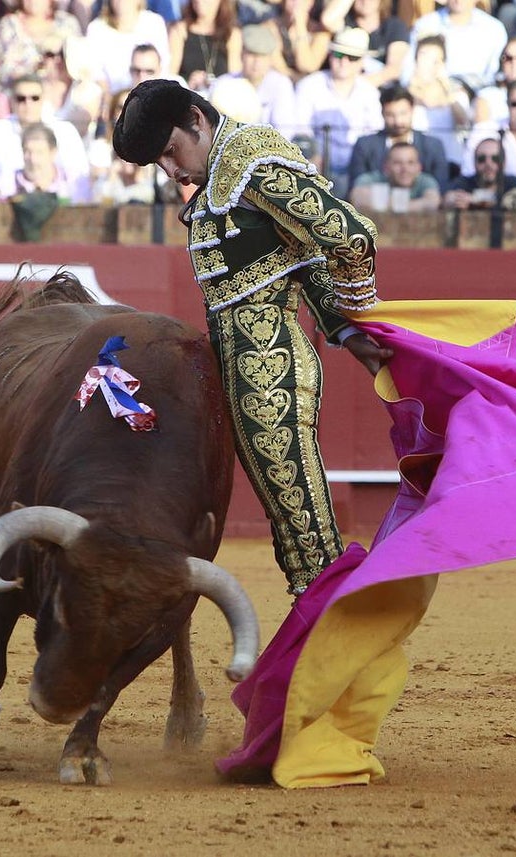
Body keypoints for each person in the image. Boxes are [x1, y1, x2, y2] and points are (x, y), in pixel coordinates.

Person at [111, 78, 392, 595]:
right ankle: (328, 630)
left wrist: (360, 309)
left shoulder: (251, 165)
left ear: (198, 119)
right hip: (248, 369)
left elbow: (350, 235)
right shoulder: (226, 170)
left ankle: (334, 634)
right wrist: (348, 331)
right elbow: (305, 257)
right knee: (294, 526)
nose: (172, 171)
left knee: (303, 527)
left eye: (172, 151)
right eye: (159, 164)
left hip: (271, 369)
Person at [292, 27, 382, 192]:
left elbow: (375, 135)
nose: (344, 61)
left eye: (352, 57)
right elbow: (299, 129)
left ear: (362, 61)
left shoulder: (369, 92)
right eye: (339, 54)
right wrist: (313, 156)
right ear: (330, 55)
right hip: (315, 168)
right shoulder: (309, 85)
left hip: (359, 171)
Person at [0, 73, 90, 200]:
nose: (28, 104)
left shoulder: (65, 131)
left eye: (34, 98)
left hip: (61, 207)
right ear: (12, 101)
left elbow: (81, 177)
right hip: (6, 208)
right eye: (21, 98)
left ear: (43, 99)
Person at [348, 83, 448, 189]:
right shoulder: (364, 145)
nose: (398, 121)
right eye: (390, 115)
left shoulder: (433, 146)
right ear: (382, 113)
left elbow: (440, 188)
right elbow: (356, 189)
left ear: (412, 111)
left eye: (403, 113)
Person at [405, 0, 508, 93]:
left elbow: (496, 75)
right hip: (431, 94)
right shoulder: (425, 25)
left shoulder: (494, 29)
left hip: (479, 96)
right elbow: (408, 71)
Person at [210, 24, 295, 134]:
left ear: (270, 59)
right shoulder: (224, 84)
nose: (256, 62)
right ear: (242, 55)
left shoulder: (281, 84)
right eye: (251, 55)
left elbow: (285, 131)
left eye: (262, 57)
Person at [404, 34, 470, 171]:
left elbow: (463, 121)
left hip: (450, 165)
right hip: (415, 166)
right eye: (424, 57)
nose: (428, 65)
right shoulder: (406, 96)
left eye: (435, 60)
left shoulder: (457, 95)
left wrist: (446, 90)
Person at [85, 0, 172, 96]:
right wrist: (108, 99)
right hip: (112, 96)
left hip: (150, 93)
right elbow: (96, 72)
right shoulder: (96, 28)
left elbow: (164, 64)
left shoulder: (154, 22)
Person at [0, 0, 82, 87]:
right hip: (18, 95)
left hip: (61, 93)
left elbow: (79, 64)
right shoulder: (8, 25)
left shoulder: (68, 24)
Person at [168, 0, 242, 94]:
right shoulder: (180, 30)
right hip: (187, 96)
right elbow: (171, 73)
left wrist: (214, 84)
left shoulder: (232, 34)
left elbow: (235, 76)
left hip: (221, 98)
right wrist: (187, 82)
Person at [442, 135, 516, 209]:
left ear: (503, 163)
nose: (488, 164)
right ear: (474, 163)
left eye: (495, 159)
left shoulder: (514, 182)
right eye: (482, 159)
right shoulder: (464, 182)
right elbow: (447, 197)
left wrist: (475, 200)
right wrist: (452, 200)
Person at [337, 0, 410, 90]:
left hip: (382, 92)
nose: (365, 1)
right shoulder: (344, 25)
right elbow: (327, 20)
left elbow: (395, 68)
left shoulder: (394, 26)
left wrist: (360, 86)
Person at [349, 140, 441, 211]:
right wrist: (414, 205)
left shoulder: (426, 181)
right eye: (397, 163)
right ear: (386, 167)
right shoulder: (372, 179)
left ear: (419, 167)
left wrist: (383, 204)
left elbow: (432, 203)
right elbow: (358, 198)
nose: (405, 169)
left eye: (410, 163)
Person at [268, 0, 331, 84]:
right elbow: (277, 66)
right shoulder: (271, 27)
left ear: (311, 3)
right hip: (280, 84)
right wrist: (296, 79)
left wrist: (300, 25)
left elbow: (306, 66)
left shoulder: (320, 33)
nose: (295, 1)